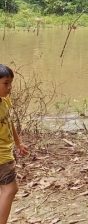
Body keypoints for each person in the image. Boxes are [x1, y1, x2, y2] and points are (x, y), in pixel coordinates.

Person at [0, 65, 29, 224]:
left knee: (7, 189)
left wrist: (19, 143)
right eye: (5, 83)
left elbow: (9, 122)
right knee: (10, 189)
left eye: (11, 83)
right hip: (2, 157)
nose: (9, 87)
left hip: (6, 153)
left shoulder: (5, 101)